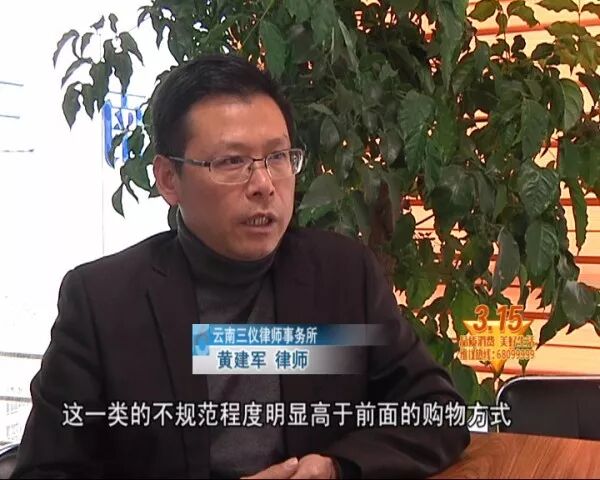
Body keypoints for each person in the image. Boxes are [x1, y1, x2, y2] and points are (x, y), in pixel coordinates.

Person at [12, 53, 469, 479]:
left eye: (278, 157)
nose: (264, 184)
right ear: (169, 180)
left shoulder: (342, 275)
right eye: (232, 161)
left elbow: (438, 412)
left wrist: (336, 467)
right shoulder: (102, 302)